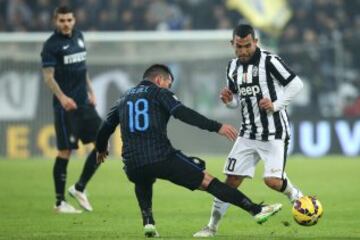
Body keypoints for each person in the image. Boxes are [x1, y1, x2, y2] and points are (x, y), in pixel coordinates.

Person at [96, 64, 282, 238]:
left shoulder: (124, 97)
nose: (169, 88)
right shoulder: (160, 93)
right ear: (160, 80)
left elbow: (105, 127)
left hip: (132, 163)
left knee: (143, 176)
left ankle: (148, 222)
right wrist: (216, 126)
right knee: (208, 181)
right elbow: (183, 113)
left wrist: (101, 148)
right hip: (161, 157)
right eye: (169, 83)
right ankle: (256, 210)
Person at [193, 24, 304, 237]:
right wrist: (229, 101)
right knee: (230, 182)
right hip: (247, 135)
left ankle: (295, 194)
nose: (243, 51)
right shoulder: (232, 66)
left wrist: (276, 104)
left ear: (256, 42)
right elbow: (237, 101)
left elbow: (296, 84)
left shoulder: (270, 61)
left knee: (272, 182)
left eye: (247, 46)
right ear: (232, 44)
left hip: (273, 133)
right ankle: (212, 227)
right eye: (238, 46)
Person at [41, 6, 102, 213]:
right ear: (55, 21)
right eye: (62, 20)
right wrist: (62, 97)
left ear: (74, 20)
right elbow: (48, 77)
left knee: (103, 145)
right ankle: (59, 203)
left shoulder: (79, 37)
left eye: (69, 20)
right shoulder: (51, 45)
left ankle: (79, 188)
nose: (66, 23)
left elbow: (82, 69)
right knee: (65, 151)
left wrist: (91, 91)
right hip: (64, 107)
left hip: (84, 104)